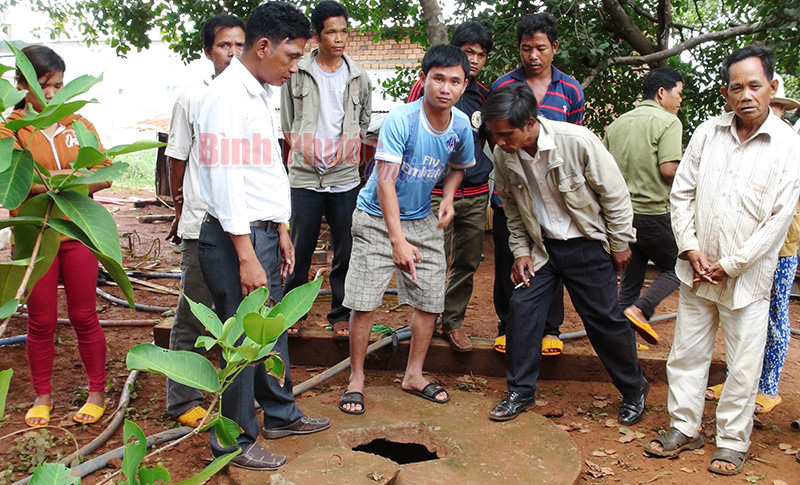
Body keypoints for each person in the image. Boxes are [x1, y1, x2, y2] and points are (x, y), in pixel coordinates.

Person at [645, 45, 800, 476]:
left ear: (772, 87)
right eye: (737, 87)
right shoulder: (707, 134)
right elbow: (682, 195)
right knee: (686, 355)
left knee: (744, 365)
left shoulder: (790, 146)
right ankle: (683, 427)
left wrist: (731, 263)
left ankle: (732, 442)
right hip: (696, 271)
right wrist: (691, 248)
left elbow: (779, 218)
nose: (746, 94)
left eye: (755, 85)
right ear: (724, 93)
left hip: (747, 279)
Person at [195, 2, 329, 471]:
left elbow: (265, 171)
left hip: (262, 232)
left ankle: (280, 413)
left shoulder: (257, 91)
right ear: (264, 46)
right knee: (239, 341)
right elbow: (227, 180)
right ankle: (234, 443)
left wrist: (283, 228)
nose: (296, 66)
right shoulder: (226, 97)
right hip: (237, 241)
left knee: (270, 331)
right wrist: (248, 254)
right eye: (292, 56)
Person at [483, 83, 648, 426]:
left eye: (505, 134)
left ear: (529, 122)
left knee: (603, 320)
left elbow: (615, 196)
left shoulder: (577, 141)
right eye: (493, 134)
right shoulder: (502, 154)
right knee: (523, 311)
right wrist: (520, 252)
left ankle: (634, 389)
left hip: (586, 245)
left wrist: (619, 243)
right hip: (541, 249)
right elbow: (511, 210)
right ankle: (521, 391)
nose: (499, 142)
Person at [339, 44, 475, 415]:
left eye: (455, 81)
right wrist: (396, 240)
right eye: (438, 79)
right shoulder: (402, 119)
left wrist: (447, 196)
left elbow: (459, 166)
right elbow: (384, 182)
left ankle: (414, 374)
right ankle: (356, 378)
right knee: (364, 302)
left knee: (431, 299)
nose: (445, 88)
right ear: (424, 79)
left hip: (421, 218)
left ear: (465, 85)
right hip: (374, 218)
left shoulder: (462, 125)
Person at [0, 45, 112, 427]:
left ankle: (97, 391)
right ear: (22, 84)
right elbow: (9, 186)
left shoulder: (77, 124)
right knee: (40, 321)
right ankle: (42, 396)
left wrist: (73, 181)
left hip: (77, 232)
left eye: (59, 85)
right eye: (44, 86)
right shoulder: (10, 130)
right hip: (34, 237)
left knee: (85, 315)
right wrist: (47, 188)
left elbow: (105, 173)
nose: (52, 94)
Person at [163, 13, 245, 428]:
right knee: (194, 313)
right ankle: (181, 400)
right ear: (207, 51)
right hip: (202, 223)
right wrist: (181, 212)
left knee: (241, 309)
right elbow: (176, 157)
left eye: (239, 45)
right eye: (223, 46)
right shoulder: (193, 96)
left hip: (244, 224)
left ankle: (237, 393)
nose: (232, 54)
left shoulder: (258, 95)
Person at [489, 12, 584, 356]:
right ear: (518, 48)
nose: (533, 55)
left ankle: (550, 329)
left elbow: (575, 139)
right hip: (512, 192)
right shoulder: (502, 86)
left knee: (551, 262)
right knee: (507, 263)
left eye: (540, 48)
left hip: (553, 200)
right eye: (526, 48)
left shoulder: (571, 89)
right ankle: (506, 326)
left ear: (554, 48)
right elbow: (495, 138)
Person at [705, 74, 800, 414]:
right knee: (739, 316)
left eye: (776, 106)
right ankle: (736, 381)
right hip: (741, 249)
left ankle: (769, 386)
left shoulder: (790, 148)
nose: (769, 111)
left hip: (782, 249)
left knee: (774, 316)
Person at [281, 1, 371, 339]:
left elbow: (363, 121)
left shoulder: (359, 76)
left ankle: (340, 312)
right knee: (298, 247)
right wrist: (305, 150)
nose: (339, 38)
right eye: (331, 31)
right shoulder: (298, 71)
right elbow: (287, 120)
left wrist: (349, 147)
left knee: (345, 245)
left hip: (344, 175)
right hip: (304, 174)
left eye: (344, 31)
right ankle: (293, 313)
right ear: (317, 35)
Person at [405, 21, 494, 352]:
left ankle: (452, 322)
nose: (473, 60)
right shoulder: (427, 88)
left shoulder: (483, 95)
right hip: (432, 195)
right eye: (468, 52)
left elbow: (486, 141)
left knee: (467, 262)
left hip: (473, 194)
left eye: (480, 55)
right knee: (429, 260)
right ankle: (421, 320)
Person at [604, 67, 685, 345]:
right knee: (680, 266)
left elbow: (603, 172)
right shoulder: (668, 121)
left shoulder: (617, 124)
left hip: (622, 217)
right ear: (662, 93)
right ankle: (642, 309)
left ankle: (614, 343)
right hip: (653, 213)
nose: (680, 101)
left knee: (630, 280)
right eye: (679, 94)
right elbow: (669, 170)